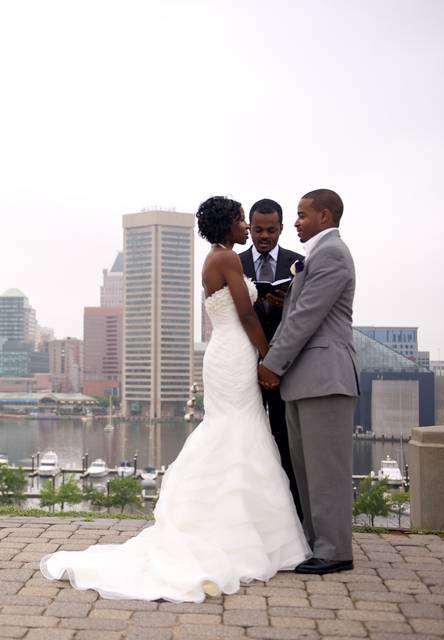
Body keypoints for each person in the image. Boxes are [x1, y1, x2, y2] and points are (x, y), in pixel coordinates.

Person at [40, 196, 309, 602]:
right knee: (235, 432)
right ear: (230, 225)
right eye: (242, 221)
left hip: (227, 352)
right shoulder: (227, 260)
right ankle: (233, 532)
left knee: (240, 432)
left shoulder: (220, 257)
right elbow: (247, 314)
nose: (248, 229)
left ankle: (237, 527)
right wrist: (268, 357)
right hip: (235, 353)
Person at [257, 188, 359, 575]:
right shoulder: (317, 255)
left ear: (326, 216)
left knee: (326, 471)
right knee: (306, 471)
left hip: (326, 378)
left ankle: (335, 551)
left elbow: (306, 317)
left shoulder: (332, 253)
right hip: (304, 379)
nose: (296, 222)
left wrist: (271, 363)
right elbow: (297, 311)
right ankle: (317, 544)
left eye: (302, 215)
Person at [238, 198, 304, 520]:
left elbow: (307, 315)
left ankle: (291, 518)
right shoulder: (233, 262)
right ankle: (248, 514)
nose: (264, 236)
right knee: (245, 441)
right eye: (259, 230)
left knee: (285, 441)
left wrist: (285, 303)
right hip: (242, 364)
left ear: (281, 228)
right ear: (249, 227)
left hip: (283, 369)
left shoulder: (299, 262)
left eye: (272, 230)